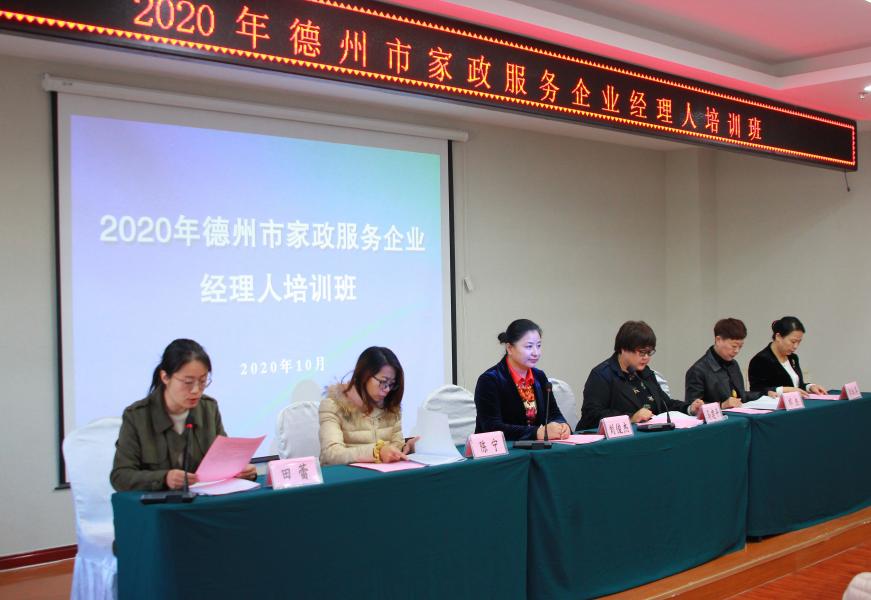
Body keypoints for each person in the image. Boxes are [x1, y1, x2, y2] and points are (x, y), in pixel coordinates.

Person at [111, 339, 256, 492]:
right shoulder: (137, 416)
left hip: (203, 501)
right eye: (188, 382)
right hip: (160, 503)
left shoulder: (208, 409)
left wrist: (240, 471)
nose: (196, 390)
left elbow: (224, 459)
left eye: (202, 381)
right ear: (165, 377)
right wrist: (164, 478)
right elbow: (120, 477)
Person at [577, 321, 703, 430]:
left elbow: (665, 404)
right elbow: (591, 416)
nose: (646, 357)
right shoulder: (602, 375)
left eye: (649, 352)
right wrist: (631, 418)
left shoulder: (644, 373)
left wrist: (690, 408)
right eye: (642, 352)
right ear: (623, 349)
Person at [474, 319, 571, 441]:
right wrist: (536, 433)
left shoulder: (539, 376)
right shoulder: (490, 380)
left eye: (538, 346)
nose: (536, 353)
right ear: (509, 348)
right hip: (500, 449)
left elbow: (553, 413)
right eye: (529, 346)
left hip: (535, 447)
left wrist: (563, 425)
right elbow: (492, 427)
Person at [319, 346, 416, 465]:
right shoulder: (333, 405)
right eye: (383, 382)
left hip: (385, 474)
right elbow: (330, 454)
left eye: (391, 384)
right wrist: (376, 452)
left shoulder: (391, 407)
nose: (387, 389)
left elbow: (394, 446)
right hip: (349, 474)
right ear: (365, 375)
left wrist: (407, 447)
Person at [685, 318, 764, 411]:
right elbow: (693, 407)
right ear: (718, 340)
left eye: (740, 347)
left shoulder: (733, 364)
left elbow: (740, 395)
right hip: (718, 419)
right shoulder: (697, 370)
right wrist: (721, 405)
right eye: (734, 346)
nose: (737, 351)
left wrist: (765, 394)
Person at [748, 316, 827, 396]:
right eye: (793, 341)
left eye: (799, 342)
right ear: (778, 337)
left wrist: (810, 387)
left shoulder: (793, 358)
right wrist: (783, 390)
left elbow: (797, 386)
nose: (796, 346)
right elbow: (756, 391)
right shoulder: (761, 360)